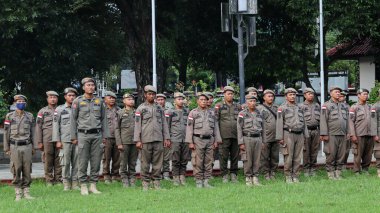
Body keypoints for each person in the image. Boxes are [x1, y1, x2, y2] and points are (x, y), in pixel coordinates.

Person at [71, 77, 109, 195]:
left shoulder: (99, 101)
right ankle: (83, 185)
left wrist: (105, 135)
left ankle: (93, 185)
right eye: (88, 85)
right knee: (82, 161)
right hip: (83, 134)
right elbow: (73, 119)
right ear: (83, 87)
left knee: (96, 160)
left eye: (92, 85)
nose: (91, 87)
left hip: (97, 135)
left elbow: (104, 120)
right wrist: (74, 136)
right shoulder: (77, 101)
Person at [134, 85, 171, 191]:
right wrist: (137, 140)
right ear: (145, 95)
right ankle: (145, 182)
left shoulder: (159, 108)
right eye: (149, 94)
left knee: (158, 162)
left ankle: (156, 182)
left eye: (153, 94)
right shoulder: (140, 108)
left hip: (158, 139)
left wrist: (166, 138)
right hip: (145, 140)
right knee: (145, 162)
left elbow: (164, 124)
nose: (151, 96)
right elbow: (137, 125)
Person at [185, 93, 222, 188]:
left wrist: (217, 140)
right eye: (201, 99)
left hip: (210, 140)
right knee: (198, 161)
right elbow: (189, 128)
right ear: (197, 101)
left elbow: (216, 128)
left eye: (205, 100)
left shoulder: (212, 113)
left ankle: (206, 181)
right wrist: (190, 142)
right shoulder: (193, 113)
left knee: (208, 161)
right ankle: (198, 181)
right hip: (197, 140)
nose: (203, 101)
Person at [3, 95, 36, 201]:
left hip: (27, 146)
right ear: (15, 103)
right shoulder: (9, 116)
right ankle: (18, 193)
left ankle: (26, 192)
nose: (21, 103)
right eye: (18, 101)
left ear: (25, 104)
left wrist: (34, 147)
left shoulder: (30, 116)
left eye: (22, 101)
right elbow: (6, 133)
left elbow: (33, 133)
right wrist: (6, 148)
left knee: (27, 169)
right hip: (14, 146)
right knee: (16, 169)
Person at [276, 88, 309, 183]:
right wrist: (280, 137)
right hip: (288, 134)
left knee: (298, 157)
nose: (292, 96)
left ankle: (296, 175)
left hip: (300, 134)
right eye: (290, 95)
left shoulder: (300, 107)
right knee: (288, 156)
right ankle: (288, 176)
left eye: (294, 95)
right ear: (286, 96)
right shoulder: (282, 108)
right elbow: (279, 123)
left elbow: (304, 122)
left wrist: (306, 135)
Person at [52, 87, 79, 191]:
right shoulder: (59, 109)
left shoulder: (79, 108)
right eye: (69, 95)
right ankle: (66, 184)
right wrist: (57, 141)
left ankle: (75, 184)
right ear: (65, 97)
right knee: (65, 163)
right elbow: (55, 126)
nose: (72, 97)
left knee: (77, 163)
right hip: (65, 141)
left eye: (73, 96)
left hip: (77, 140)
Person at [320, 86, 349, 180]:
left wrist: (348, 132)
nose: (338, 93)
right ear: (331, 93)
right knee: (331, 154)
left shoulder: (344, 106)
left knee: (341, 154)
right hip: (331, 134)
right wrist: (324, 134)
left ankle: (338, 172)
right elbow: (323, 120)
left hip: (343, 134)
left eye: (339, 92)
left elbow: (348, 120)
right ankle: (331, 173)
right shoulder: (326, 105)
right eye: (336, 92)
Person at [214, 86, 241, 183]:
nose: (230, 95)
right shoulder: (219, 106)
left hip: (235, 135)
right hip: (223, 136)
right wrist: (217, 137)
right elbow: (215, 122)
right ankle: (224, 175)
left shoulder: (238, 106)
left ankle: (234, 174)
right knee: (223, 156)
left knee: (235, 156)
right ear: (224, 94)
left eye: (232, 94)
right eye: (228, 94)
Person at [237, 95, 264, 186]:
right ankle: (248, 178)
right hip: (247, 138)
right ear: (247, 102)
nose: (252, 103)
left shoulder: (259, 113)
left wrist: (263, 140)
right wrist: (241, 142)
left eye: (254, 101)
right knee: (247, 159)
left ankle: (255, 177)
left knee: (257, 159)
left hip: (258, 138)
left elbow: (263, 128)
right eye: (250, 101)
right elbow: (239, 128)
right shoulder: (242, 114)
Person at [36, 91, 61, 186]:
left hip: (59, 139)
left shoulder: (60, 110)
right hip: (47, 139)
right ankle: (49, 180)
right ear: (47, 99)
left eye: (55, 97)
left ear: (57, 99)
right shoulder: (42, 111)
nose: (53, 99)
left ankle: (58, 179)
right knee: (48, 160)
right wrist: (39, 141)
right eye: (51, 97)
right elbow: (38, 127)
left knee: (59, 160)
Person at [348, 88, 376, 175]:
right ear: (358, 95)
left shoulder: (371, 107)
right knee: (358, 154)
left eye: (367, 94)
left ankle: (365, 169)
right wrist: (353, 135)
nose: (366, 96)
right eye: (364, 94)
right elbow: (350, 122)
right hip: (359, 134)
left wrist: (375, 133)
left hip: (370, 134)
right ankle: (356, 170)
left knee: (368, 154)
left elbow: (374, 120)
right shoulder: (354, 107)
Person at [165, 92, 189, 186]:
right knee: (175, 159)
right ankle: (175, 177)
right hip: (175, 138)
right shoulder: (170, 112)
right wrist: (167, 139)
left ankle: (182, 176)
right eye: (178, 99)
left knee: (184, 159)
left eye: (182, 99)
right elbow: (166, 126)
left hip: (185, 138)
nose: (181, 101)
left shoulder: (187, 111)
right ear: (174, 101)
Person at [115, 93, 138, 187]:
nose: (131, 101)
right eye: (128, 99)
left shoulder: (137, 112)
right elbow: (117, 128)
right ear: (124, 101)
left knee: (133, 162)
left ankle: (132, 179)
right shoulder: (119, 113)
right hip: (124, 141)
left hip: (135, 141)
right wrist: (119, 143)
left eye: (132, 99)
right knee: (123, 162)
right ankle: (124, 179)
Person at [257, 89, 279, 180]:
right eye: (269, 96)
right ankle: (266, 173)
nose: (271, 98)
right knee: (264, 156)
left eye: (272, 96)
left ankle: (273, 172)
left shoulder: (277, 108)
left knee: (275, 156)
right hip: (265, 136)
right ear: (264, 97)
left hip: (276, 136)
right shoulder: (259, 108)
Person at [299, 88, 320, 176]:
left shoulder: (317, 105)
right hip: (306, 130)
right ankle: (306, 169)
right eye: (309, 94)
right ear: (304, 95)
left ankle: (313, 168)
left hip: (316, 130)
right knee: (306, 150)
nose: (311, 95)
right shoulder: (301, 106)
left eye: (312, 94)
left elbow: (321, 120)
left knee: (314, 150)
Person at [102, 91, 121, 183]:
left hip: (117, 137)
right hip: (107, 137)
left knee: (117, 158)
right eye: (110, 98)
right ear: (105, 99)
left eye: (113, 98)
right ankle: (106, 175)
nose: (112, 99)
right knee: (106, 157)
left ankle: (115, 175)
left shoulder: (119, 110)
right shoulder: (102, 110)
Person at [156, 93, 171, 180]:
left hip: (166, 136)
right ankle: (157, 174)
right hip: (156, 136)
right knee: (157, 156)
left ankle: (166, 174)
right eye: (158, 100)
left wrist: (168, 137)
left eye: (162, 100)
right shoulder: (154, 110)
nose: (160, 101)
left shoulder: (169, 110)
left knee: (166, 156)